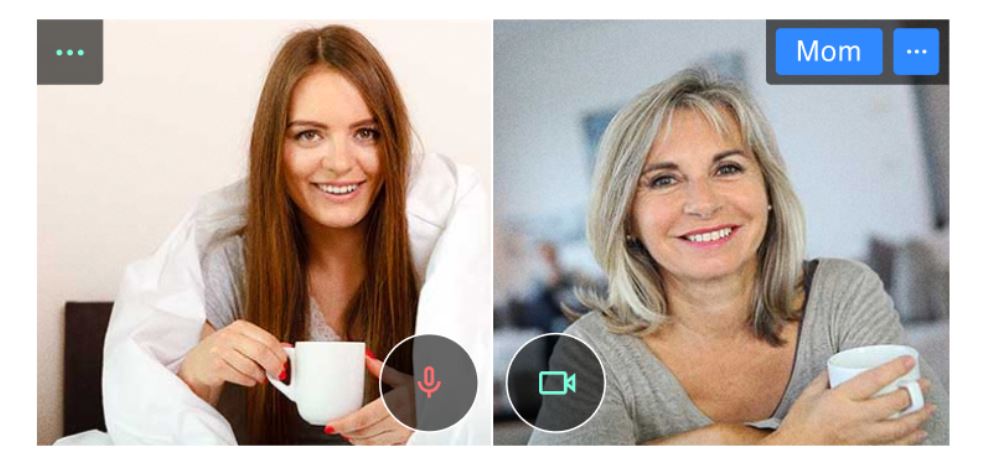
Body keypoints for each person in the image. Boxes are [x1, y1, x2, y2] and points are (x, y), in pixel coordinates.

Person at [102, 25, 490, 445]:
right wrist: (198, 373)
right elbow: (168, 432)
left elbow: (474, 394)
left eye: (365, 133)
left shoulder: (430, 266)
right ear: (275, 149)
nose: (340, 162)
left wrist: (435, 412)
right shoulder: (234, 270)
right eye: (309, 135)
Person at [528, 68, 948, 445]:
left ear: (767, 190)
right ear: (627, 217)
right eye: (664, 179)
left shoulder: (844, 296)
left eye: (727, 168)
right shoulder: (589, 354)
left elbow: (934, 443)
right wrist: (792, 445)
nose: (703, 203)